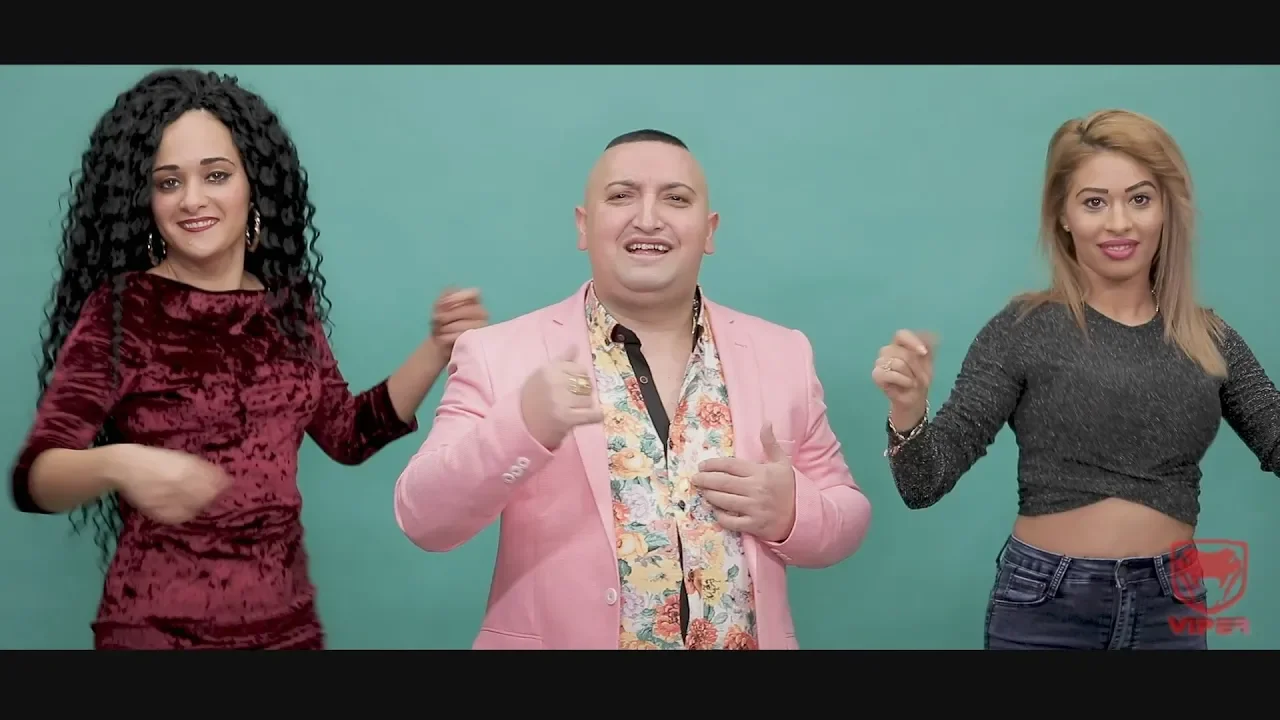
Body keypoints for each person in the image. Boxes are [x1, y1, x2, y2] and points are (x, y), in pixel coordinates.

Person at [8, 68, 490, 650]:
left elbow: (348, 434)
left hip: (287, 627)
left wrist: (438, 347)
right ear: (147, 200)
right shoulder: (125, 310)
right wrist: (123, 463)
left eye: (215, 174)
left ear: (252, 183)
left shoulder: (287, 307)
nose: (193, 199)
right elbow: (36, 478)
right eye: (168, 182)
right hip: (157, 631)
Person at [393, 129, 871, 650]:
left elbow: (847, 513)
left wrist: (792, 512)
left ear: (709, 230)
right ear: (584, 225)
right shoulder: (498, 354)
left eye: (676, 199)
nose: (648, 218)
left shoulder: (782, 353)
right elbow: (424, 519)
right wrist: (521, 427)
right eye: (622, 196)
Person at [872, 109, 1280, 650]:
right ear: (1063, 216)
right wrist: (908, 410)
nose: (1119, 223)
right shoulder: (1022, 329)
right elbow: (923, 484)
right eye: (1094, 202)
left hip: (1171, 608)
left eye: (1140, 199)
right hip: (1046, 606)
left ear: (1166, 209)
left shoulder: (1209, 337)